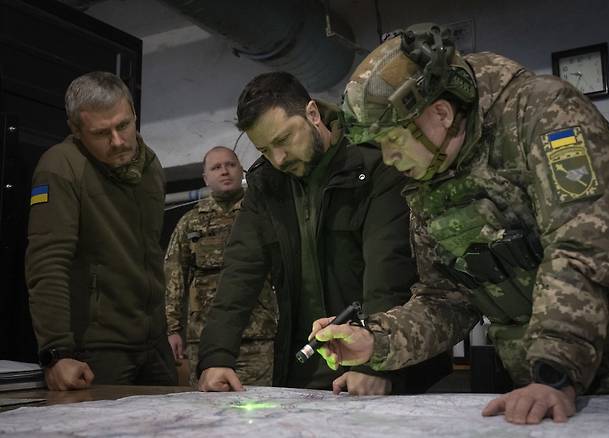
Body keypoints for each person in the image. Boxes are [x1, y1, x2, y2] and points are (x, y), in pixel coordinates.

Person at [310, 23, 609, 423]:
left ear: (440, 113)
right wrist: (376, 341)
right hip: (541, 384)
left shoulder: (542, 113)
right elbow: (446, 299)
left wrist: (554, 369)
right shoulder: (429, 178)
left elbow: (585, 242)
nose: (388, 159)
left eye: (393, 141)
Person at [197, 71, 452, 395]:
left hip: (388, 368)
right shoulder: (266, 186)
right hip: (305, 371)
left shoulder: (375, 164)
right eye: (264, 150)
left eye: (283, 140)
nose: (278, 158)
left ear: (313, 114)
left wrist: (373, 361)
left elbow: (388, 270)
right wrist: (216, 356)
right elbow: (239, 271)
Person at [25, 71, 177, 390]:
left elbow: (151, 254)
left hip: (154, 343)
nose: (118, 141)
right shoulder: (60, 167)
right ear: (77, 131)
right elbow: (47, 262)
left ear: (134, 114)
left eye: (123, 125)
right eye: (101, 133)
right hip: (97, 350)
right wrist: (56, 353)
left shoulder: (152, 167)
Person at [165, 146, 278, 387]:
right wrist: (172, 329)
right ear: (205, 178)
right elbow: (174, 277)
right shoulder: (190, 223)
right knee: (209, 413)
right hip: (205, 338)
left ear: (241, 170)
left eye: (230, 165)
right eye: (216, 167)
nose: (224, 171)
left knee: (263, 410)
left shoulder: (263, 215)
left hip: (257, 336)